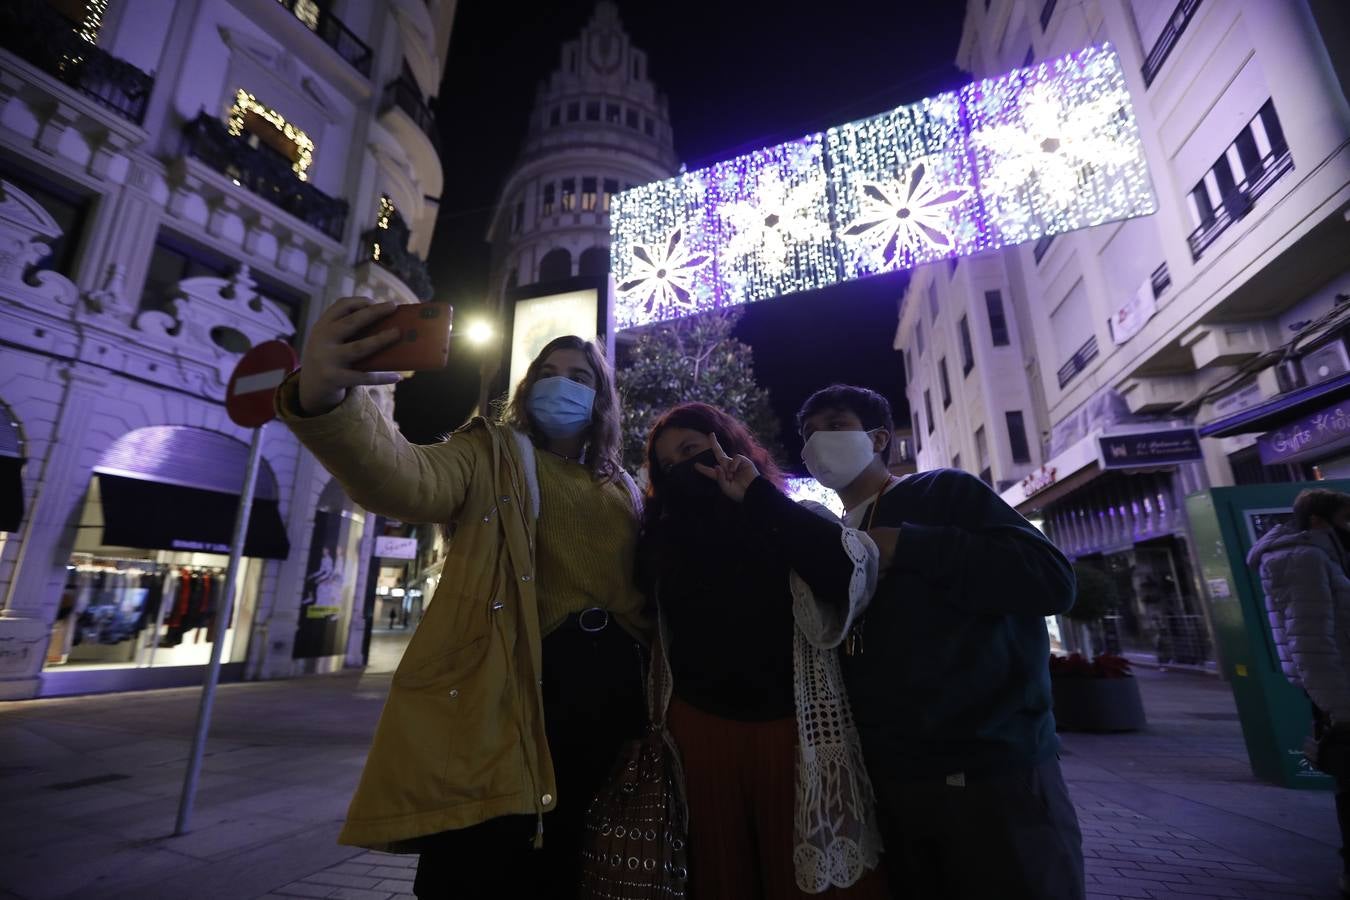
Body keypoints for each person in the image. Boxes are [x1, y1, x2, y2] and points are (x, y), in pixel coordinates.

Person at [275, 297, 649, 899]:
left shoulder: (623, 484)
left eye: (580, 378)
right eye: (548, 374)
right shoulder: (490, 452)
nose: (563, 386)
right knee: (483, 852)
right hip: (514, 680)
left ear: (602, 399)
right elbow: (402, 475)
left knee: (569, 857)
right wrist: (328, 397)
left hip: (609, 696)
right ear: (525, 390)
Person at [796, 384, 1084, 900]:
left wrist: (910, 544)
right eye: (807, 432)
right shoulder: (831, 538)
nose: (818, 440)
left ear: (880, 437)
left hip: (991, 777)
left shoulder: (941, 493)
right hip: (893, 783)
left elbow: (1052, 580)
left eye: (835, 425)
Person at [638, 402, 887, 899]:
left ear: (724, 442)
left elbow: (847, 576)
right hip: (699, 732)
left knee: (797, 873)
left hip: (791, 733)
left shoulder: (789, 516)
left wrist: (753, 495)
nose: (682, 466)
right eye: (668, 464)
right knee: (721, 873)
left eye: (691, 449)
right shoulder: (664, 541)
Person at [1248, 488, 1350, 895]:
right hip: (1340, 691)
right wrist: (1339, 706)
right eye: (1345, 518)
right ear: (1319, 520)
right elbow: (1310, 642)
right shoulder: (1302, 558)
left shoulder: (1325, 555)